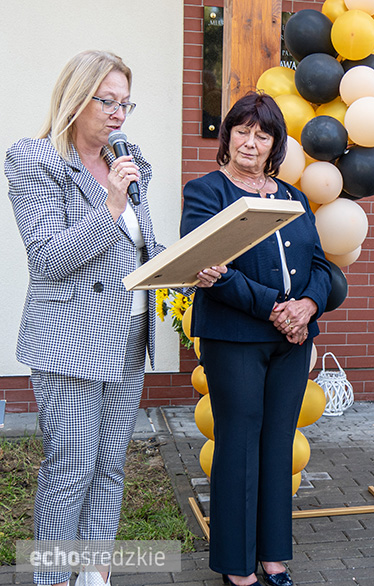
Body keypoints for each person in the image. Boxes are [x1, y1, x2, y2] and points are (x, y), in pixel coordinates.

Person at [4, 50, 224, 586]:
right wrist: (110, 204)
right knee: (70, 467)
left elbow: (140, 250)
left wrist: (189, 267)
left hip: (126, 336)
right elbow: (49, 258)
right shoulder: (34, 159)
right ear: (75, 97)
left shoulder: (128, 159)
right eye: (107, 101)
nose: (119, 114)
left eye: (126, 103)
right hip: (69, 342)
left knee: (108, 465)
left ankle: (96, 571)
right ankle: (53, 578)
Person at [180, 92, 332, 586]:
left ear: (275, 144)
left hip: (293, 339)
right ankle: (236, 564)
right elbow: (210, 271)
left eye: (262, 134)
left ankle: (273, 555)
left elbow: (320, 265)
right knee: (239, 445)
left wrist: (307, 307)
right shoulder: (206, 192)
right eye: (242, 131)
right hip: (235, 339)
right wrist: (276, 308)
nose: (251, 142)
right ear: (227, 137)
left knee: (278, 444)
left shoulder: (293, 196)